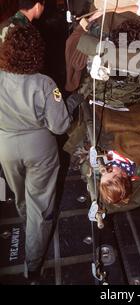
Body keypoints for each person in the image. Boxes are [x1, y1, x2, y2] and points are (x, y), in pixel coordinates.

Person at [0, 24, 71, 282]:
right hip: (39, 148)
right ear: (36, 52)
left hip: (5, 146)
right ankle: (33, 263)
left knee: (20, 196)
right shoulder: (45, 83)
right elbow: (60, 125)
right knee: (40, 205)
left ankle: (27, 225)